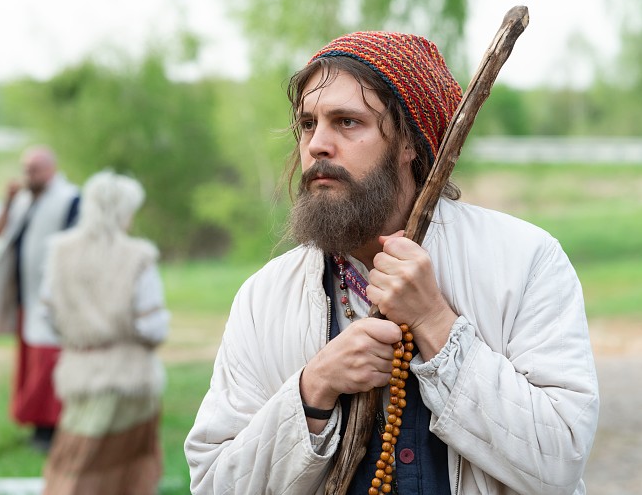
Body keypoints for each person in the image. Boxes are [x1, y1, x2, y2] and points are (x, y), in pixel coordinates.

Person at [184, 31, 600, 494]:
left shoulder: (523, 261)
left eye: (346, 122)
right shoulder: (264, 298)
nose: (317, 144)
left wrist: (435, 322)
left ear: (410, 142)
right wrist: (313, 389)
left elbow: (560, 461)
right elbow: (214, 483)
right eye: (308, 123)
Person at [39, 171, 169, 495]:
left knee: (74, 456)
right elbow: (152, 325)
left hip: (78, 369)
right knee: (120, 469)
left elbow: (47, 313)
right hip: (128, 374)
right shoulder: (138, 256)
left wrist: (76, 335)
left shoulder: (60, 251)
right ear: (122, 211)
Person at [0, 145, 79, 451]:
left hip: (51, 300)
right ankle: (35, 423)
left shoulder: (70, 198)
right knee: (29, 366)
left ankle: (51, 428)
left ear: (51, 168)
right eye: (26, 169)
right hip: (24, 297)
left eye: (35, 169)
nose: (28, 175)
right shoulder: (22, 199)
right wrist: (7, 201)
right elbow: (0, 233)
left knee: (48, 363)